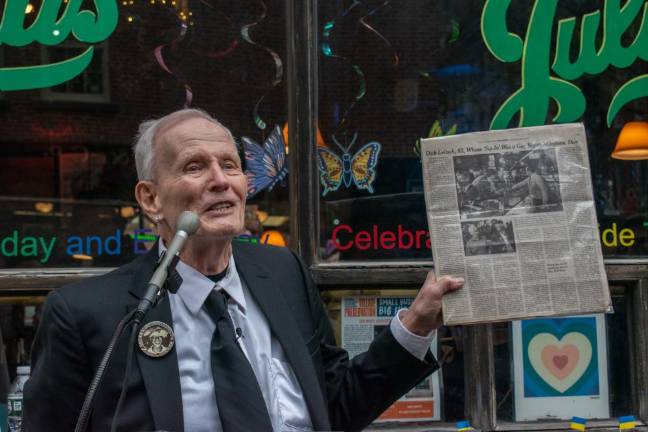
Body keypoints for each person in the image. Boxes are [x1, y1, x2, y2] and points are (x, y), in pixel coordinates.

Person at [23, 109, 464, 432]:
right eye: (195, 167)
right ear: (151, 199)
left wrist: (416, 323)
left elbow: (337, 407)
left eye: (230, 165)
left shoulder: (283, 273)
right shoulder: (91, 315)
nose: (221, 180)